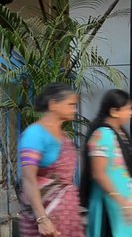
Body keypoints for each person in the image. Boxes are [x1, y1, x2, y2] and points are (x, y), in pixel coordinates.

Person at [18, 83, 84, 237]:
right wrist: (42, 219)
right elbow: (29, 179)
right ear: (53, 104)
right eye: (70, 104)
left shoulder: (62, 135)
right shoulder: (35, 134)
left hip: (66, 217)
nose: (74, 109)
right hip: (47, 221)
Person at [79, 89, 132, 237]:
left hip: (126, 202)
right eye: (128, 109)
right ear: (114, 111)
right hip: (110, 203)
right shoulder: (101, 135)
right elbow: (99, 173)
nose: (131, 113)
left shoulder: (119, 132)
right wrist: (119, 199)